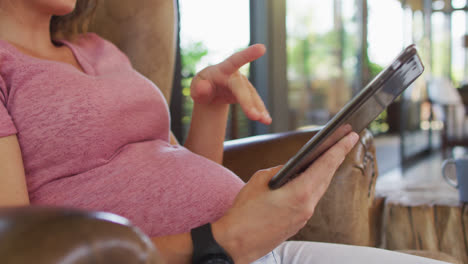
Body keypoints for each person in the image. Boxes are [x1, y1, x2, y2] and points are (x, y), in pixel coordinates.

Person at [0, 0, 449, 263]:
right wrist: (218, 240)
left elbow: (173, 167)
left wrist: (210, 109)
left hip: (257, 247)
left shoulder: (100, 49)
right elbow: (17, 247)